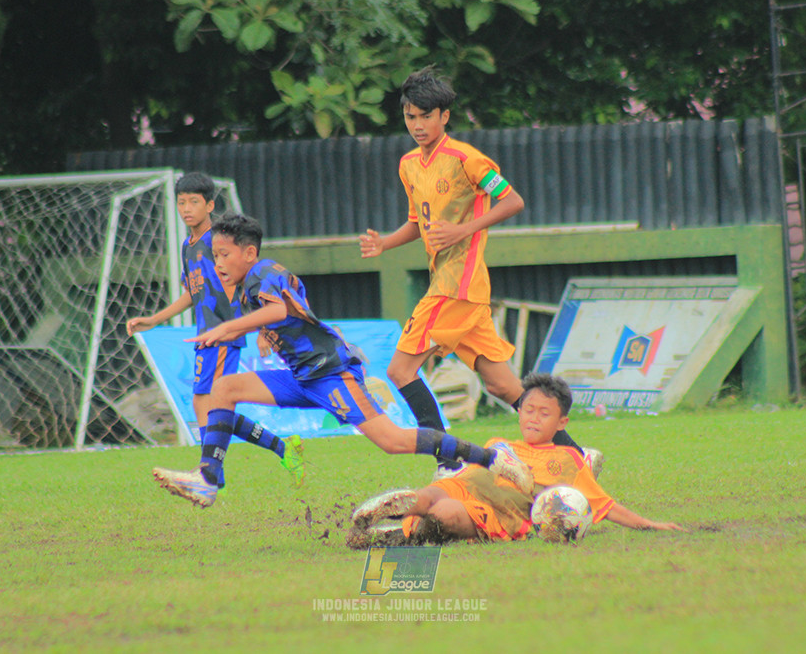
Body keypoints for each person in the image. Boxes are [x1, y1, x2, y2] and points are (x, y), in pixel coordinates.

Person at [150, 214, 535, 508]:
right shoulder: (254, 282)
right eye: (215, 255)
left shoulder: (261, 272)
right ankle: (208, 477)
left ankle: (491, 457)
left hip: (330, 375)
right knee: (224, 388)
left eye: (223, 255)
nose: (217, 263)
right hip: (301, 376)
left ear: (249, 253)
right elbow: (289, 311)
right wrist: (253, 332)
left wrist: (230, 329)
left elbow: (278, 311)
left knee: (394, 441)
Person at [359, 66, 598, 477]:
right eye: (410, 116)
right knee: (504, 387)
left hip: (456, 286)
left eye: (426, 116)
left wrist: (464, 229)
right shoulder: (409, 165)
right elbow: (419, 221)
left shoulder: (467, 159)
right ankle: (579, 457)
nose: (418, 125)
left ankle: (447, 461)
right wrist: (385, 242)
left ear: (444, 116)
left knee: (400, 370)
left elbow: (513, 200)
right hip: (461, 290)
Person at [346, 372, 684, 548]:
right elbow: (468, 476)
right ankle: (402, 508)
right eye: (528, 410)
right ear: (519, 411)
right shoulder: (498, 444)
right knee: (434, 495)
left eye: (544, 413)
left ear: (562, 422)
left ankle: (402, 533)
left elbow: (604, 505)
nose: (534, 418)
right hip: (463, 485)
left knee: (444, 514)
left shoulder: (566, 460)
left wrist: (649, 524)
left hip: (498, 512)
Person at [125, 172, 247, 470]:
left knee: (205, 399)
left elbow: (242, 282)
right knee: (209, 402)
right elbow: (192, 293)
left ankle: (209, 471)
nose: (187, 208)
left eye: (194, 201)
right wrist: (154, 319)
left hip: (223, 331)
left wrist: (247, 323)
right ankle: (278, 448)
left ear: (210, 205)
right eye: (182, 202)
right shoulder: (188, 246)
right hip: (205, 332)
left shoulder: (216, 242)